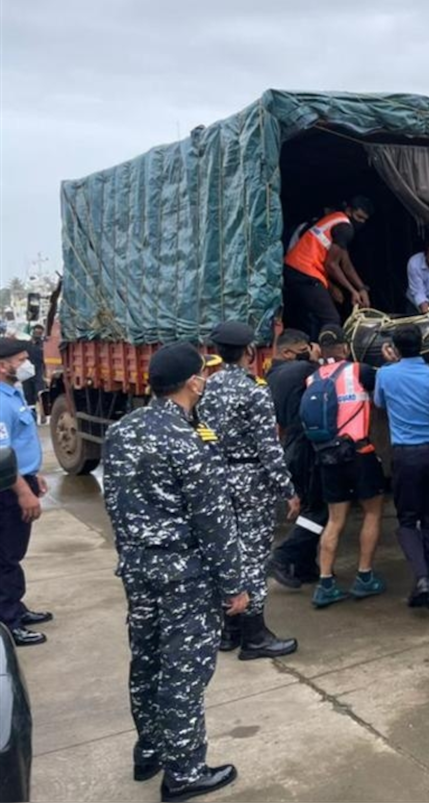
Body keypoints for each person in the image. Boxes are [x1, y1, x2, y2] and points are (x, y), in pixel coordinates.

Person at [102, 342, 246, 801]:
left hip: (138, 568)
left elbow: (115, 503)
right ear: (193, 383)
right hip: (183, 573)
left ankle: (150, 751)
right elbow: (214, 521)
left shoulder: (122, 430)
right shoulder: (189, 441)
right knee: (183, 671)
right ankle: (183, 771)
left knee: (146, 661)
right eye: (203, 376)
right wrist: (234, 585)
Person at [198, 322, 300, 659]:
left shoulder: (208, 388)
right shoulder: (254, 389)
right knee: (253, 556)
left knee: (226, 552)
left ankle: (229, 630)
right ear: (249, 351)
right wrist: (287, 489)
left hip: (219, 478)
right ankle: (255, 636)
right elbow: (269, 447)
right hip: (250, 481)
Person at [307, 326, 389, 607]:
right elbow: (385, 383)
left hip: (328, 456)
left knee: (335, 520)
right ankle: (364, 577)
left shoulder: (312, 378)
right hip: (359, 452)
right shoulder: (359, 371)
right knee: (373, 512)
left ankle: (325, 583)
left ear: (321, 349)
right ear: (344, 348)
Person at [374, 324, 429, 610]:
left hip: (406, 455)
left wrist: (391, 366)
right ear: (422, 345)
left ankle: (422, 579)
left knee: (407, 521)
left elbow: (379, 403)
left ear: (394, 348)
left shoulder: (385, 374)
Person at [0, 337, 52, 647]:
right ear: (2, 364)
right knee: (6, 555)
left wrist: (34, 476)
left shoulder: (12, 392)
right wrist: (22, 490)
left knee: (13, 552)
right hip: (7, 487)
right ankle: (9, 623)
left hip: (20, 478)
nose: (26, 365)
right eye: (20, 360)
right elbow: (1, 452)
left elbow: (21, 443)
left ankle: (15, 606)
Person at [266, 330, 324, 588]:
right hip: (304, 447)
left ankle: (304, 565)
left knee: (310, 505)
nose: (307, 351)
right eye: (302, 348)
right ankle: (282, 556)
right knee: (319, 510)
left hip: (292, 444)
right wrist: (313, 358)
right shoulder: (299, 370)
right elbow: (326, 372)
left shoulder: (274, 373)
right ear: (287, 352)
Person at [283, 196, 374, 341]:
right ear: (349, 211)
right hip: (304, 271)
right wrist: (353, 292)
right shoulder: (345, 229)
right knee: (331, 318)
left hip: (297, 268)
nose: (361, 222)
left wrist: (361, 288)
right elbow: (331, 265)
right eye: (359, 217)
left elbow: (345, 263)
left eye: (364, 220)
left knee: (314, 316)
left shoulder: (335, 219)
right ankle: (329, 356)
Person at [22, 324, 46, 424]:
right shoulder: (27, 344)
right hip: (27, 373)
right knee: (28, 395)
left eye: (39, 332)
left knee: (40, 394)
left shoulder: (44, 345)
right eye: (36, 332)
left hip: (39, 371)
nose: (37, 334)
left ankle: (43, 415)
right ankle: (32, 416)